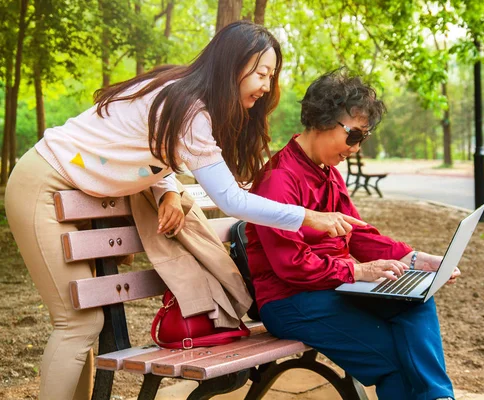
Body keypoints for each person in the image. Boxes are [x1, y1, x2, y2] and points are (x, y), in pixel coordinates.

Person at [4, 22, 363, 400]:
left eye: (271, 76)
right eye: (261, 73)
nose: (266, 86)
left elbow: (135, 147)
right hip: (44, 183)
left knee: (83, 327)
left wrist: (168, 191)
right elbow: (231, 201)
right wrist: (309, 216)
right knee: (77, 323)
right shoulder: (190, 109)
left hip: (73, 186)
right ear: (232, 65)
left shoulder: (184, 99)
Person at [245, 69, 460, 400]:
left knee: (416, 300)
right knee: (393, 359)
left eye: (363, 138)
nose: (356, 148)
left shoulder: (327, 172)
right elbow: (291, 265)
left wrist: (415, 258)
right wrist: (357, 271)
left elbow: (358, 235)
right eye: (354, 135)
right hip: (291, 300)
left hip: (336, 286)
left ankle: (439, 397)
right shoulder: (279, 179)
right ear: (322, 120)